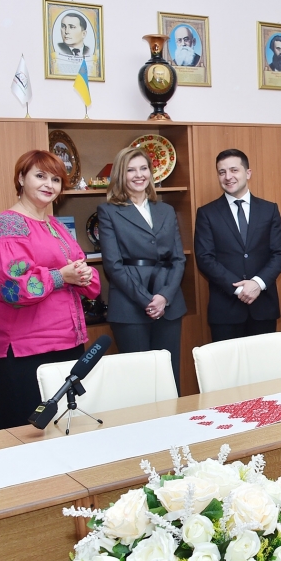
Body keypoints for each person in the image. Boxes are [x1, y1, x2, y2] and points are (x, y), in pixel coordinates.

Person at [0, 150, 100, 429]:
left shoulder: (55, 224)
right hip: (29, 350)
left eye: (56, 179)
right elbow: (11, 288)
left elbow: (84, 274)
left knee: (67, 425)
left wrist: (84, 274)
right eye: (40, 176)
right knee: (27, 430)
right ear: (21, 178)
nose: (49, 184)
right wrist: (62, 277)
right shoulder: (8, 223)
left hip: (69, 342)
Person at [97, 147, 186, 392]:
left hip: (169, 304)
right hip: (130, 306)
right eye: (131, 170)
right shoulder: (108, 211)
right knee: (139, 382)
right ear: (120, 175)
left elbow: (179, 259)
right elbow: (113, 265)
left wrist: (164, 297)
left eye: (143, 168)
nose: (139, 175)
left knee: (169, 378)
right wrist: (147, 300)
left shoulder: (165, 210)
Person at [194, 148, 281, 342]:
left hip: (263, 306)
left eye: (234, 170)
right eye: (222, 172)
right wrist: (239, 289)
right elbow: (205, 258)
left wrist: (257, 283)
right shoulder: (207, 213)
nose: (228, 177)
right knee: (228, 370)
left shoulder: (269, 210)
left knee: (266, 370)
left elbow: (279, 253)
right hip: (225, 310)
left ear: (248, 173)